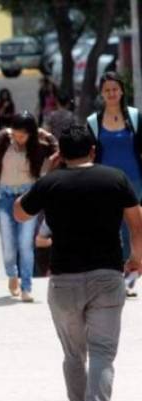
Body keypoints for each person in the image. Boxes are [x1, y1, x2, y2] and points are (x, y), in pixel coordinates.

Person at [14, 124, 142, 401]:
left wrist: (48, 171)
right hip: (107, 277)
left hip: (64, 282)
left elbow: (19, 212)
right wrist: (137, 255)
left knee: (74, 354)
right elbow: (135, 218)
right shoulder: (114, 178)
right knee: (102, 354)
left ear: (62, 154)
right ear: (93, 151)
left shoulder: (50, 183)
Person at [0, 111, 59, 302]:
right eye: (15, 134)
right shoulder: (5, 143)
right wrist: (2, 134)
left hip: (28, 198)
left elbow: (59, 151)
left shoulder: (38, 147)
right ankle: (12, 274)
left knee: (26, 244)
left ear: (31, 134)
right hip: (5, 197)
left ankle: (27, 287)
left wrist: (47, 136)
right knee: (9, 245)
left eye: (23, 135)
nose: (18, 139)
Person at [87, 72, 142, 296]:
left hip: (134, 182)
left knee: (134, 229)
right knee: (111, 229)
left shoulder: (135, 116)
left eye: (115, 89)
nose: (111, 93)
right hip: (105, 183)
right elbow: (89, 154)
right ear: (102, 93)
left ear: (121, 91)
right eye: (107, 90)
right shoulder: (93, 121)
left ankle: (130, 275)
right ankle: (115, 274)